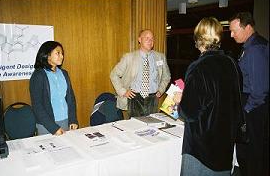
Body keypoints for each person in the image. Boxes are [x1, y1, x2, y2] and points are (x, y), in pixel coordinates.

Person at [172, 17, 243, 175]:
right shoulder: (231, 63)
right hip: (225, 147)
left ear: (198, 38)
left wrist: (180, 99)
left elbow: (188, 113)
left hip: (201, 150)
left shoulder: (198, 67)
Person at [229, 12, 269, 176]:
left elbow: (259, 91)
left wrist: (244, 110)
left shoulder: (255, 50)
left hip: (253, 109)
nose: (231, 35)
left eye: (234, 30)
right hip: (252, 106)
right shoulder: (250, 46)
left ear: (248, 27)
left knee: (252, 155)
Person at [110, 29, 171, 117]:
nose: (150, 41)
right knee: (134, 127)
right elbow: (114, 74)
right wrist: (123, 91)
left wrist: (161, 90)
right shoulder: (129, 57)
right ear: (139, 40)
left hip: (153, 98)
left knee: (151, 126)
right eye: (147, 38)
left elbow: (166, 76)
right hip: (134, 98)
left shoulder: (160, 57)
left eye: (152, 39)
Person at [29, 41, 79, 135]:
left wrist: (73, 120)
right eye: (58, 53)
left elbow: (71, 99)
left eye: (62, 53)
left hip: (66, 121)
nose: (62, 56)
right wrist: (53, 128)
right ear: (47, 55)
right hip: (47, 125)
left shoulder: (64, 73)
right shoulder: (38, 75)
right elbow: (37, 106)